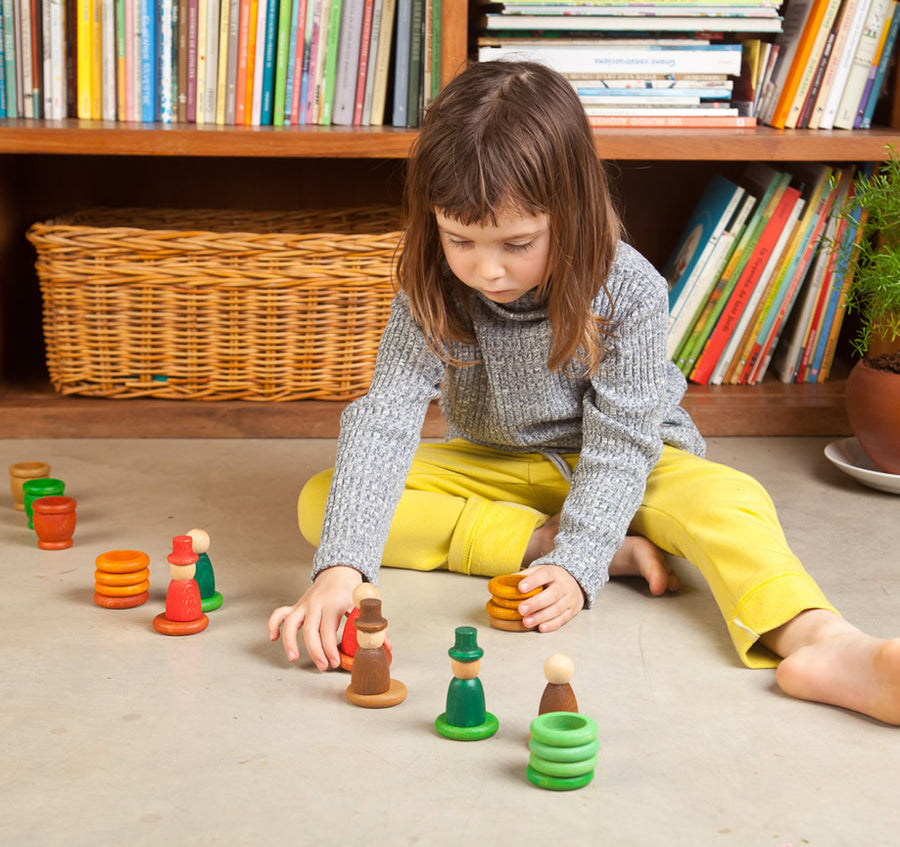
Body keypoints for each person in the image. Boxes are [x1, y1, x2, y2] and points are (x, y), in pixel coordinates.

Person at [268, 60, 900, 725]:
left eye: (517, 242)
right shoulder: (430, 285)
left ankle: (825, 642)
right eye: (460, 239)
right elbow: (385, 420)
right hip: (501, 467)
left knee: (732, 499)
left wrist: (579, 564)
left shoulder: (629, 289)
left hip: (633, 466)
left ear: (567, 212)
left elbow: (625, 441)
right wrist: (340, 570)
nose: (487, 268)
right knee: (325, 501)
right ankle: (546, 540)